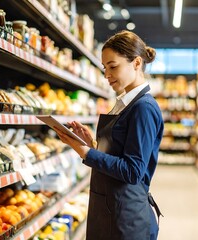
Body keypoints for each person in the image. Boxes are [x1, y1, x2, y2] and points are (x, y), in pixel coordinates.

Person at [54, 30, 164, 240]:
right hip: (111, 209)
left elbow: (133, 171)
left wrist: (86, 153)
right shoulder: (125, 103)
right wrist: (92, 145)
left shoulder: (144, 108)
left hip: (127, 220)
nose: (107, 75)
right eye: (105, 68)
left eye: (113, 66)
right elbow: (119, 153)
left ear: (137, 63)